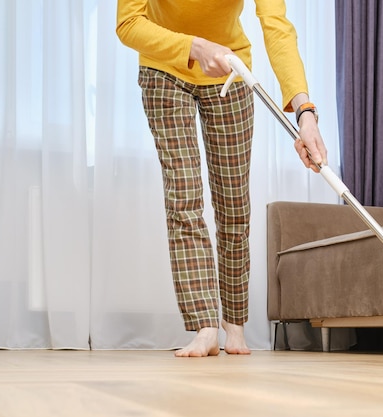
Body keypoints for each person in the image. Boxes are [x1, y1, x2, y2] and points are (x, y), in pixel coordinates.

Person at [116, 0, 328, 357]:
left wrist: (305, 112)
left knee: (233, 205)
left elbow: (276, 27)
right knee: (184, 197)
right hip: (165, 68)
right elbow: (129, 24)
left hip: (230, 71)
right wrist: (194, 46)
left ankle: (235, 325)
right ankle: (205, 326)